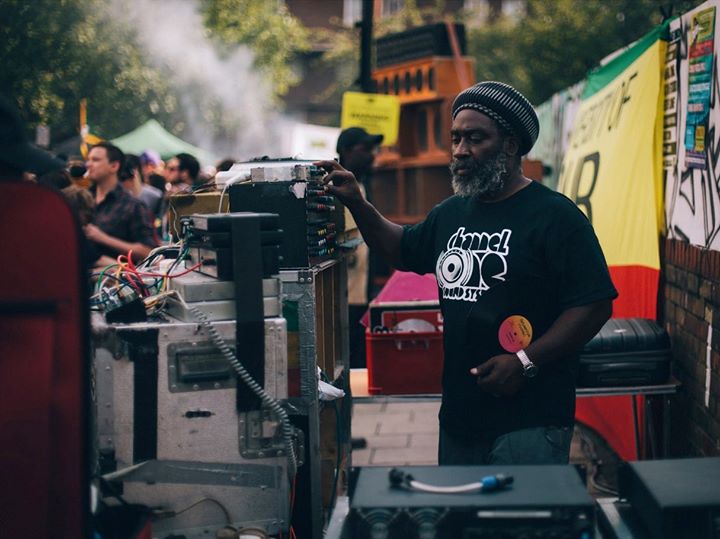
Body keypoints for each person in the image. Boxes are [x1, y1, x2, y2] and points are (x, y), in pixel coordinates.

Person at [318, 81, 618, 466]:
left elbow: (594, 305)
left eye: (476, 139)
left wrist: (526, 361)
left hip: (530, 418)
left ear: (510, 145)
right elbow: (401, 248)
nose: (460, 150)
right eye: (456, 138)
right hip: (461, 416)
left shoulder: (556, 217)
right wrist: (358, 203)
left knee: (520, 508)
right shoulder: (451, 213)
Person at [336, 127, 384, 369]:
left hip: (361, 292)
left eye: (373, 149)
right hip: (344, 295)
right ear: (346, 151)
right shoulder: (335, 188)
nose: (371, 155)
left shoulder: (362, 186)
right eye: (365, 149)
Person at [85, 142, 158, 261]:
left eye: (95, 160)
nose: (88, 164)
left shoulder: (132, 205)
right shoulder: (83, 198)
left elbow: (147, 251)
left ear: (114, 166)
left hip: (115, 271)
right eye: (88, 160)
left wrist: (103, 238)